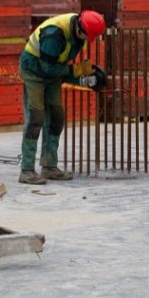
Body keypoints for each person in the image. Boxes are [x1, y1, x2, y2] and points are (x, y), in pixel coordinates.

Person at [18, 10, 107, 185]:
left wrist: (85, 79)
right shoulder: (54, 34)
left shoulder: (79, 34)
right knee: (36, 117)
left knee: (56, 117)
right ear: (80, 28)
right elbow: (48, 69)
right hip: (33, 71)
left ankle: (49, 166)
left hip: (51, 72)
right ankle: (27, 171)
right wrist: (77, 71)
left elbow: (60, 68)